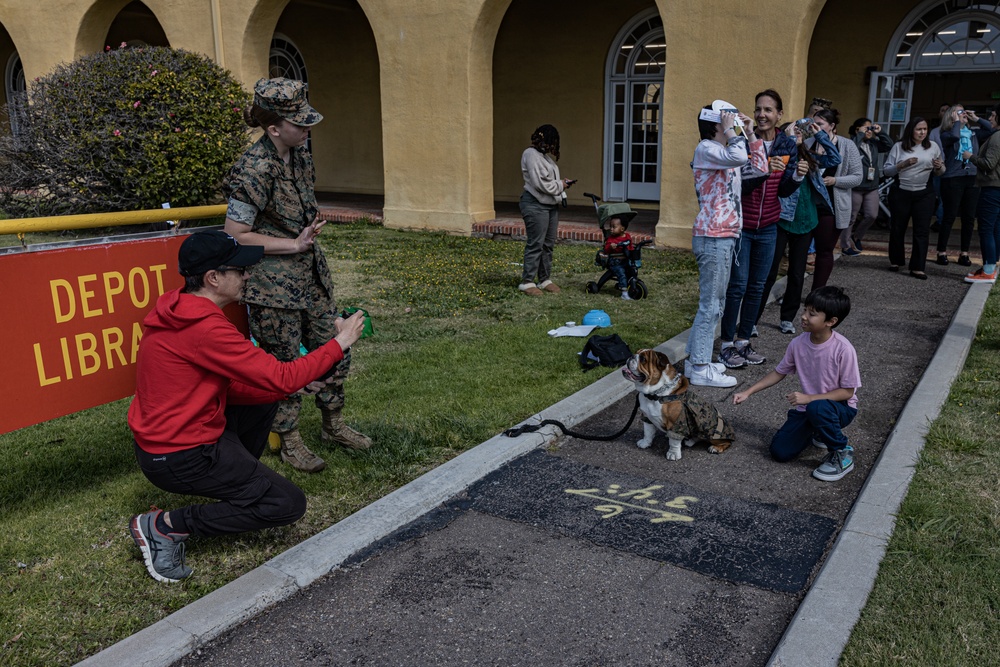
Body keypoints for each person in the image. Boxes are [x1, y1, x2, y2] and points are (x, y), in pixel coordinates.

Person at [128, 230, 368, 583]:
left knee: (267, 397)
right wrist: (341, 341)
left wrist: (291, 386)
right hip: (180, 455)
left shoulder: (182, 308)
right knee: (287, 504)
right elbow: (281, 376)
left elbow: (257, 384)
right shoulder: (205, 327)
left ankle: (241, 483)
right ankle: (165, 527)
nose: (247, 276)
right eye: (239, 270)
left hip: (175, 441)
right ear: (213, 278)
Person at [224, 77, 370, 475]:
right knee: (283, 363)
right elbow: (235, 235)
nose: (307, 129)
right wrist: (293, 244)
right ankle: (289, 441)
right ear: (274, 128)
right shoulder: (253, 168)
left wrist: (304, 242)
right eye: (299, 123)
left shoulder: (301, 156)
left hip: (311, 277)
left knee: (335, 346)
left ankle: (333, 424)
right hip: (273, 287)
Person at [734, 286, 861, 482]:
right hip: (812, 407)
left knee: (817, 408)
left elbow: (847, 392)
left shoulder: (843, 349)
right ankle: (820, 430)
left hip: (840, 408)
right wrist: (748, 392)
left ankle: (842, 452)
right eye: (805, 310)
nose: (803, 316)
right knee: (780, 452)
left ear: (831, 321)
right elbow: (779, 372)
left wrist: (809, 398)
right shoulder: (798, 343)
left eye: (812, 314)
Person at [686, 102, 767, 387]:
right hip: (713, 235)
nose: (732, 124)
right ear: (715, 124)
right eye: (727, 120)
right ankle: (699, 366)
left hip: (725, 236)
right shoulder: (706, 148)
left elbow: (759, 166)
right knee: (712, 306)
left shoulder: (726, 153)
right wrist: (735, 133)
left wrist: (749, 133)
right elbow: (738, 156)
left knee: (713, 304)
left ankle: (694, 361)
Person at [718, 89, 797, 369]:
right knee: (737, 286)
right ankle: (726, 343)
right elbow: (741, 186)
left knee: (757, 286)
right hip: (742, 226)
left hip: (769, 227)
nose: (762, 115)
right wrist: (763, 169)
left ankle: (743, 342)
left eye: (768, 110)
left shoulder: (786, 145)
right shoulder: (739, 141)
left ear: (779, 115)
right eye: (758, 109)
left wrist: (797, 175)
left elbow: (785, 190)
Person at [756, 116, 842, 336]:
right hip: (781, 220)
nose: (798, 135)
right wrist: (786, 140)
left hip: (807, 222)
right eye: (794, 132)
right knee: (769, 272)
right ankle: (753, 319)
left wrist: (819, 134)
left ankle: (787, 318)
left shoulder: (809, 157)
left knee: (797, 273)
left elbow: (834, 158)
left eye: (801, 133)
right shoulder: (778, 156)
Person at [883, 117, 946, 279]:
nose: (922, 132)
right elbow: (887, 171)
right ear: (911, 130)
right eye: (919, 129)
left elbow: (941, 171)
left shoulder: (933, 146)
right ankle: (896, 260)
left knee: (922, 230)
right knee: (898, 227)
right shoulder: (898, 147)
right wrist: (902, 165)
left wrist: (939, 167)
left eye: (925, 129)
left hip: (924, 193)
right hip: (901, 192)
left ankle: (918, 267)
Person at [518, 124, 574, 296]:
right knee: (536, 243)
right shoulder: (530, 154)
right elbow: (539, 183)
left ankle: (544, 279)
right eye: (551, 142)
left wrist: (560, 184)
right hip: (535, 204)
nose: (551, 147)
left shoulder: (544, 157)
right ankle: (527, 282)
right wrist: (561, 185)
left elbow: (548, 181)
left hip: (549, 205)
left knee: (548, 244)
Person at [935, 104, 992, 267]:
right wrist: (957, 123)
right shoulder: (945, 133)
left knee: (968, 218)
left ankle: (964, 253)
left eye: (964, 111)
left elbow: (992, 130)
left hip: (972, 177)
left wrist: (977, 119)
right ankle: (941, 251)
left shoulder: (973, 133)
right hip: (953, 178)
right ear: (951, 116)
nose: (963, 114)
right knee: (949, 216)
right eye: (959, 112)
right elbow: (954, 137)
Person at [811, 107, 861, 287]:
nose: (814, 128)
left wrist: (835, 180)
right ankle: (793, 292)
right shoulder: (808, 142)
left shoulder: (847, 145)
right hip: (808, 206)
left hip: (832, 206)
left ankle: (817, 292)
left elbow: (857, 177)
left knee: (824, 251)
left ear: (832, 126)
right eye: (812, 124)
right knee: (799, 252)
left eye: (819, 124)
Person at [962, 103, 1000, 283]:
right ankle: (991, 265)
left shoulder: (997, 138)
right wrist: (976, 119)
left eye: (993, 116)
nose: (990, 118)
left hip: (992, 189)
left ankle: (988, 270)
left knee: (986, 229)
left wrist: (971, 157)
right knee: (995, 228)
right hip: (997, 189)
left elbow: (988, 163)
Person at [846, 118, 893, 253]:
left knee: (872, 215)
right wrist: (860, 135)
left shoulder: (873, 144)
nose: (869, 131)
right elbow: (851, 151)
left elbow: (889, 145)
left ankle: (857, 236)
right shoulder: (851, 142)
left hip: (871, 185)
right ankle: (846, 244)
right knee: (851, 217)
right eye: (866, 128)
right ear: (857, 129)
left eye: (870, 128)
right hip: (856, 185)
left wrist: (880, 132)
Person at [603, 215, 634, 300]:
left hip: (625, 260)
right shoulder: (611, 239)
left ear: (622, 229)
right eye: (610, 227)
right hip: (615, 261)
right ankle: (624, 293)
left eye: (614, 227)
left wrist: (632, 252)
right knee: (621, 273)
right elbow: (605, 250)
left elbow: (630, 247)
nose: (611, 229)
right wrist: (610, 247)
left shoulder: (627, 236)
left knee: (631, 271)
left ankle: (629, 285)